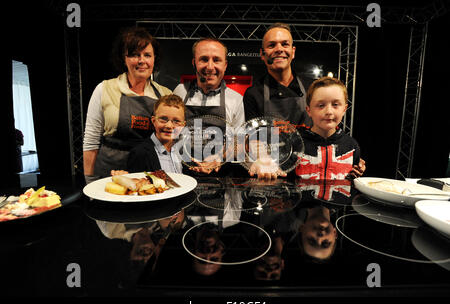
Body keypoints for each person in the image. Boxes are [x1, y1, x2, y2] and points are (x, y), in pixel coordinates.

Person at [243, 22, 365, 179]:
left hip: (309, 170)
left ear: (292, 51)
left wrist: (346, 159)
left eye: (285, 44)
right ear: (262, 53)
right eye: (272, 45)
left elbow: (330, 127)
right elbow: (253, 137)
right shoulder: (253, 94)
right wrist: (263, 160)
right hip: (271, 172)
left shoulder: (311, 87)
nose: (279, 49)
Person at [83, 26, 172, 184]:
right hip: (110, 173)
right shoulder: (105, 89)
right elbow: (91, 140)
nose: (141, 60)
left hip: (148, 173)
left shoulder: (166, 95)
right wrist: (90, 180)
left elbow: (172, 141)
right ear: (123, 58)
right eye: (134, 55)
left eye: (147, 55)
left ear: (154, 59)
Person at [173, 37, 245, 174]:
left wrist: (219, 157)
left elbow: (239, 143)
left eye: (216, 60)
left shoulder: (236, 99)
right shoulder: (180, 91)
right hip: (182, 174)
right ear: (194, 63)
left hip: (221, 177)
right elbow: (170, 133)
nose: (210, 67)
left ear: (225, 65)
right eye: (204, 59)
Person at [296, 76, 363, 180]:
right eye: (321, 105)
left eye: (335, 104)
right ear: (309, 110)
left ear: (344, 109)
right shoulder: (296, 144)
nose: (329, 111)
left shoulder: (352, 146)